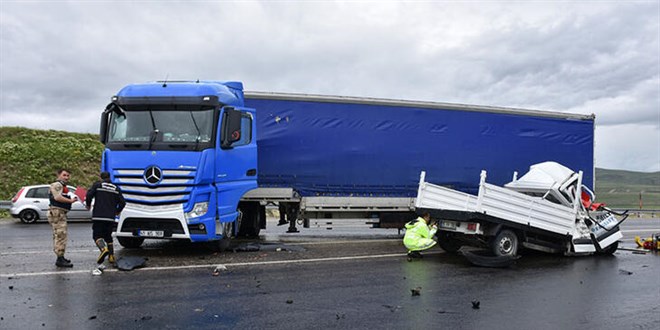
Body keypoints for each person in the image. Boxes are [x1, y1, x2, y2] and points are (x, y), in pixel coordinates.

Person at [86, 171, 126, 275]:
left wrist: (88, 204)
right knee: (108, 236)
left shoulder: (98, 185)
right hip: (110, 217)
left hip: (98, 216)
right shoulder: (116, 188)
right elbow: (123, 202)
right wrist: (117, 211)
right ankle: (111, 256)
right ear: (110, 177)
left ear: (101, 177)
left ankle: (103, 249)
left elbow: (89, 194)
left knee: (97, 235)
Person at [48, 168, 79, 267]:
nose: (66, 177)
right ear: (59, 175)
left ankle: (61, 257)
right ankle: (60, 259)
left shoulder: (63, 186)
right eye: (64, 175)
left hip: (60, 213)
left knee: (60, 235)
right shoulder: (57, 185)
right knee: (61, 236)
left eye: (68, 175)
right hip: (57, 213)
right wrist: (70, 201)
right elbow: (57, 197)